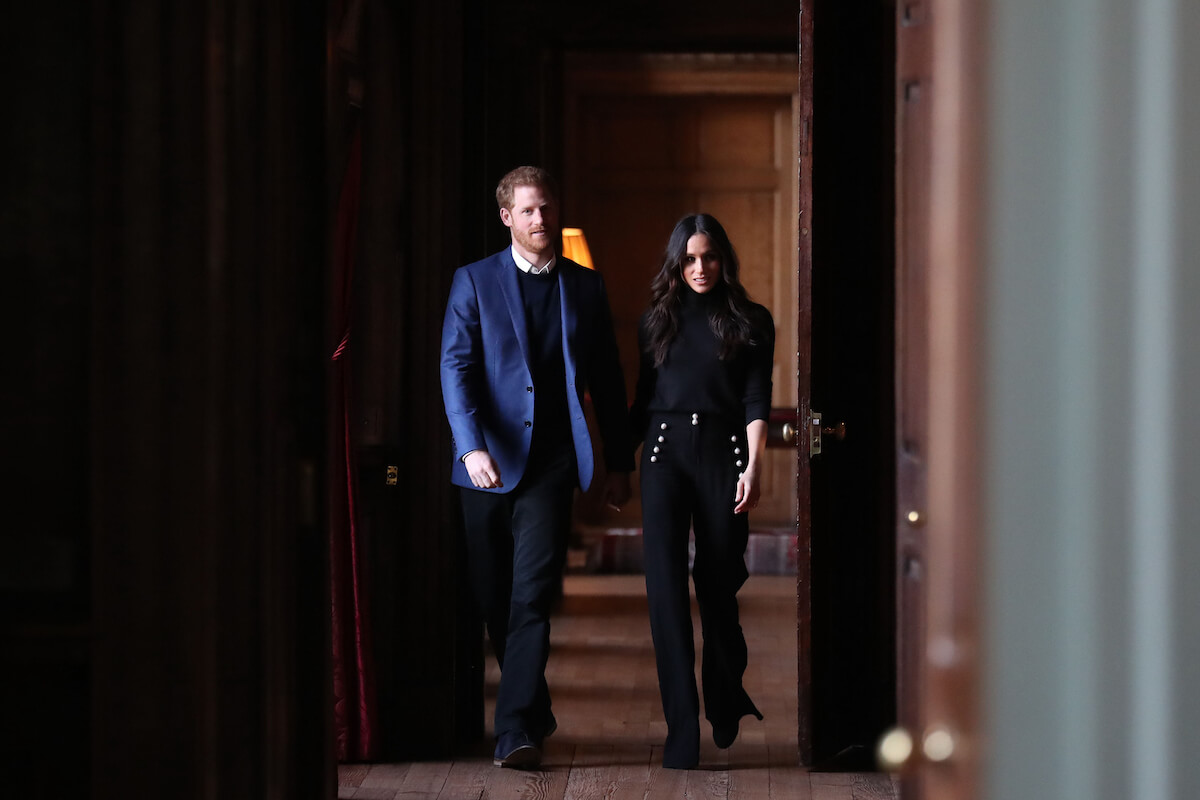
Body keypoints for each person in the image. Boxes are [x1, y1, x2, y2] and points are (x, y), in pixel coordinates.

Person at [440, 166, 633, 769]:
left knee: (530, 597)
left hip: (551, 463)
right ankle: (534, 703)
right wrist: (471, 447)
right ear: (507, 217)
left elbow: (606, 378)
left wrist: (619, 463)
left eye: (546, 209)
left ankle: (517, 730)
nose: (540, 220)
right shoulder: (472, 282)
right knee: (492, 594)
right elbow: (456, 368)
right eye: (527, 211)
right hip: (485, 464)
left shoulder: (585, 287)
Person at [629, 213, 774, 770]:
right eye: (688, 259)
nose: (699, 268)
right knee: (665, 593)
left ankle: (724, 692)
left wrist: (754, 467)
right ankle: (681, 730)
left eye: (708, 257)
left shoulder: (751, 320)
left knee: (718, 585)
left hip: (724, 454)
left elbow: (757, 397)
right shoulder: (654, 322)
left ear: (723, 259)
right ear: (675, 262)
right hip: (664, 457)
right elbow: (643, 400)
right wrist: (616, 463)